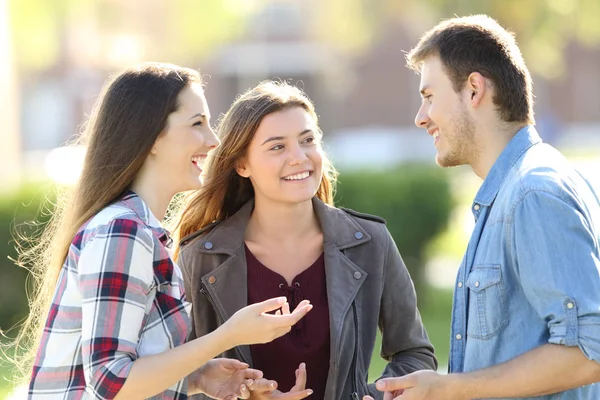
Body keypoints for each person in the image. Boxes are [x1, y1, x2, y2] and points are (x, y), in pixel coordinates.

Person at [19, 63, 312, 399]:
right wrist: (227, 336)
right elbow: (110, 381)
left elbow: (120, 372)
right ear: (153, 136)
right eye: (197, 124)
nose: (213, 140)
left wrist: (197, 379)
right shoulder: (122, 231)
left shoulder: (139, 230)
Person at [370, 15, 600, 400]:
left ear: (474, 89)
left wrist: (450, 389)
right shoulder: (513, 191)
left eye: (429, 96)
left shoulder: (533, 192)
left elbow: (590, 348)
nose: (420, 117)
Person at [174, 80, 437, 400]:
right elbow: (176, 375)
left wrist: (375, 397)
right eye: (277, 146)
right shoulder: (201, 257)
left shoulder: (370, 243)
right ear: (242, 164)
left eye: (307, 140)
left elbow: (415, 354)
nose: (299, 157)